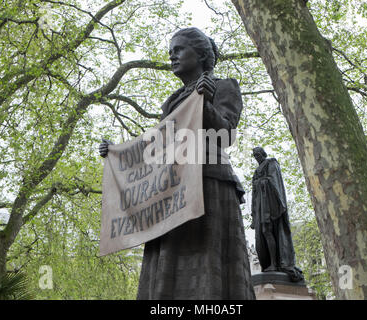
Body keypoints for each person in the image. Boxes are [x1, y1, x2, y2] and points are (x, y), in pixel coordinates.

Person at [99, 27, 255, 299]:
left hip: (208, 183)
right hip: (170, 192)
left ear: (201, 54)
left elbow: (226, 134)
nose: (172, 57)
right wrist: (118, 154)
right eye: (170, 52)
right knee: (169, 268)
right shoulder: (172, 101)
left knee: (207, 264)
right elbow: (158, 147)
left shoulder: (224, 86)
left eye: (179, 50)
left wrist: (205, 102)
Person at [251, 147, 304, 282]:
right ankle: (270, 262)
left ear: (263, 154)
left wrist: (262, 182)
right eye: (254, 155)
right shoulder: (256, 171)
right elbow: (254, 193)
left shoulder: (271, 163)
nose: (256, 157)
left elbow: (274, 182)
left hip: (270, 204)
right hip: (261, 207)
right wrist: (253, 214)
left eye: (258, 154)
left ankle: (275, 263)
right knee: (263, 232)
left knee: (268, 231)